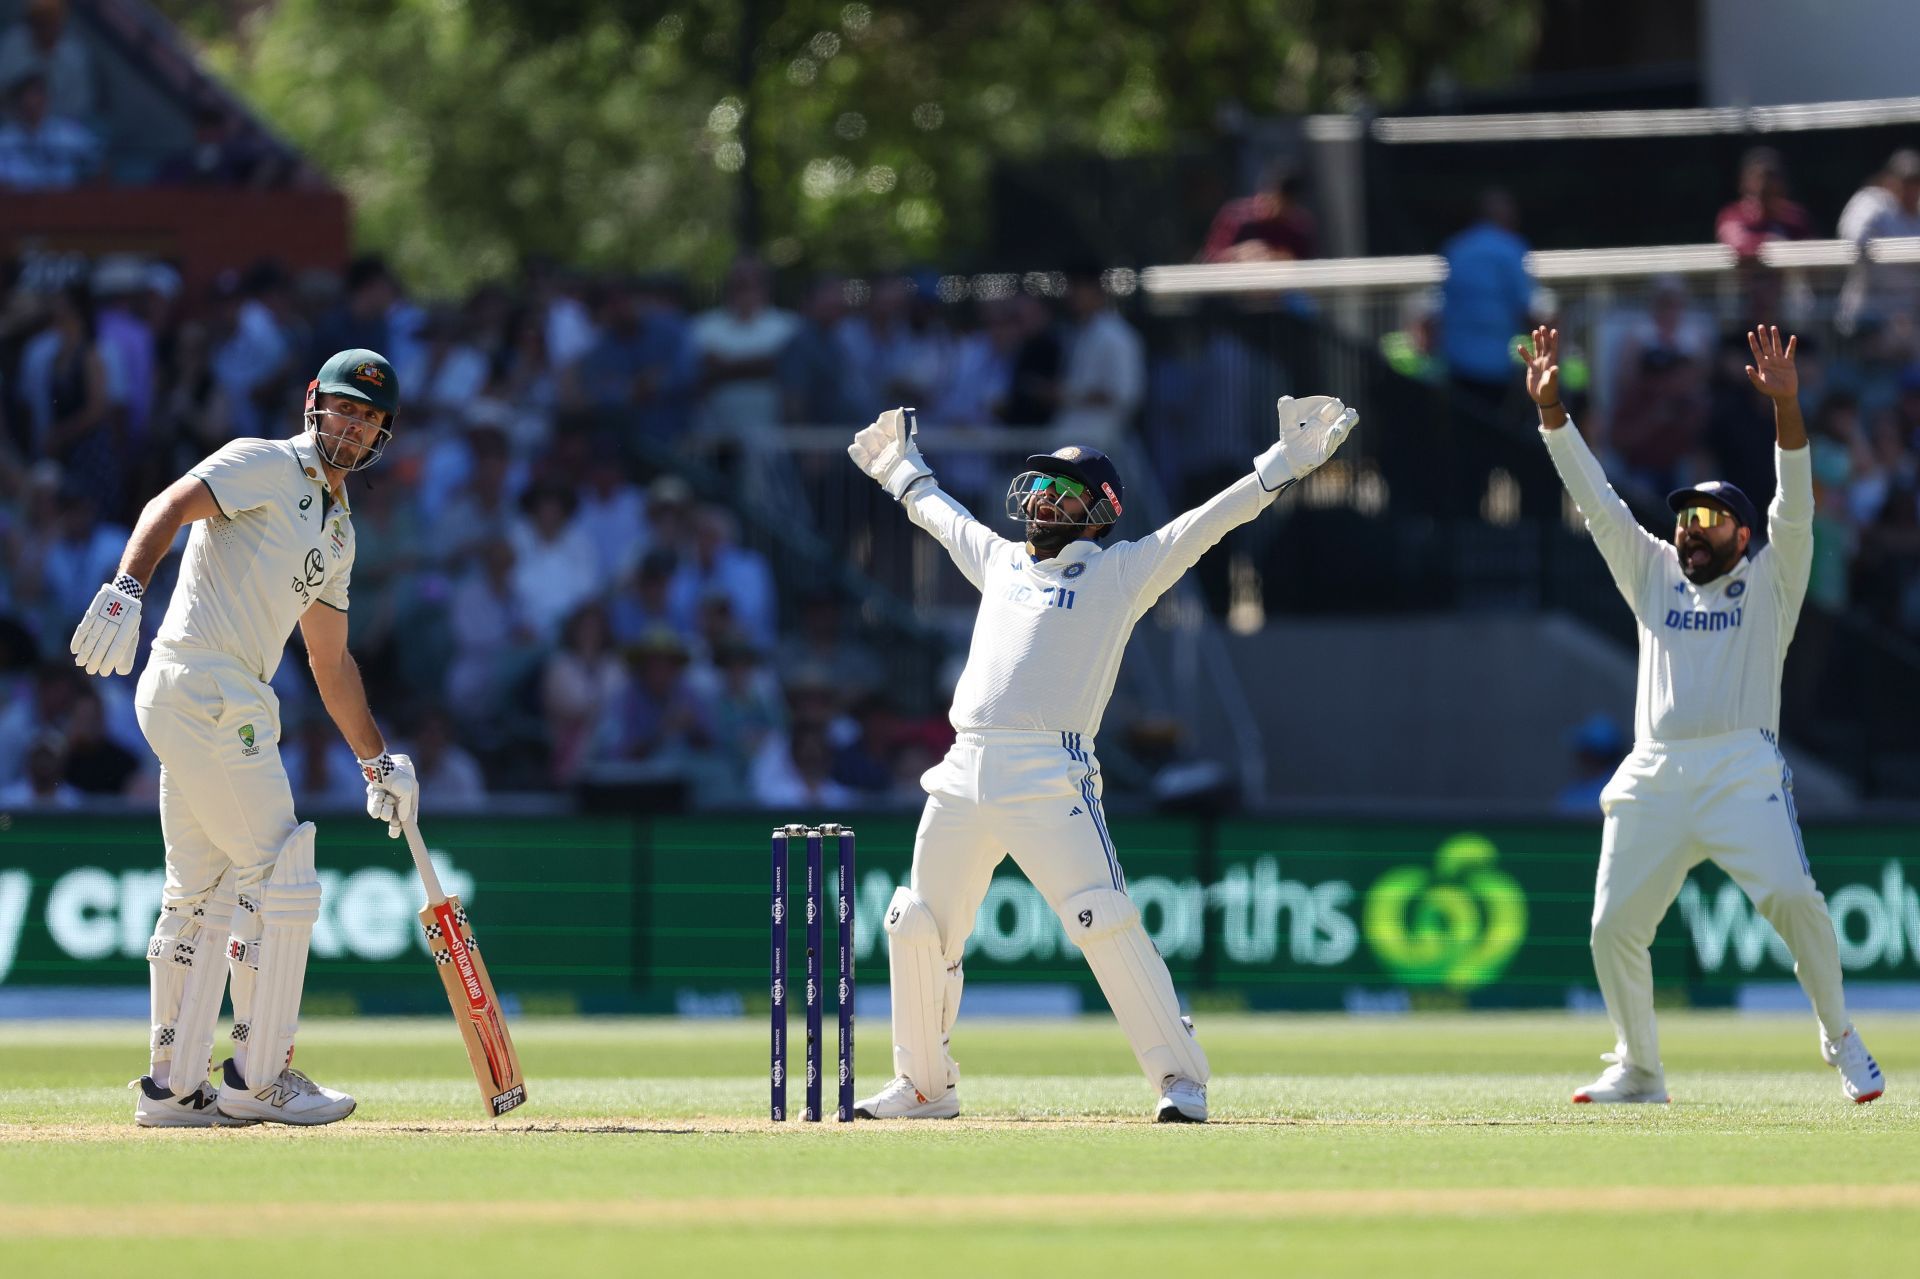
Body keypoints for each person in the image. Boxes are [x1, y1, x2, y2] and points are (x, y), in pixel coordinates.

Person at [845, 395, 1357, 1123]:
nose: (1042, 498)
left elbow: (1204, 527)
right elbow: (941, 514)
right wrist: (901, 468)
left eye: (1061, 490)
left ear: (1097, 512)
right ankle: (925, 1084)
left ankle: (1182, 1082)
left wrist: (1283, 465)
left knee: (1102, 918)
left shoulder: (1120, 573)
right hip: (963, 766)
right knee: (917, 921)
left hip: (1051, 774)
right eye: (1040, 485)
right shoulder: (1000, 560)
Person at [1523, 324, 1885, 1106]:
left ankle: (1841, 1038)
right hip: (1654, 772)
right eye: (1684, 519)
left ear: (1742, 536)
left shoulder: (1773, 580)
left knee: (1794, 900)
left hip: (1740, 767)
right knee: (1612, 925)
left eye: (1707, 521)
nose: (1689, 529)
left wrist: (1788, 410)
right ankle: (1640, 1067)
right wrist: (1553, 415)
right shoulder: (1653, 573)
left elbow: (1796, 504)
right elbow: (1597, 501)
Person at [68, 348, 421, 1127]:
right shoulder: (265, 462)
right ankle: (260, 1077)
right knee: (282, 872)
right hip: (204, 684)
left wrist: (378, 759)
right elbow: (167, 504)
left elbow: (329, 662)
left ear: (379, 436)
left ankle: (174, 1087)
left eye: (368, 419)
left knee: (201, 892)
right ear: (314, 403)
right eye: (344, 408)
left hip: (215, 696)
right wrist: (128, 586)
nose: (353, 426)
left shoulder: (339, 532)